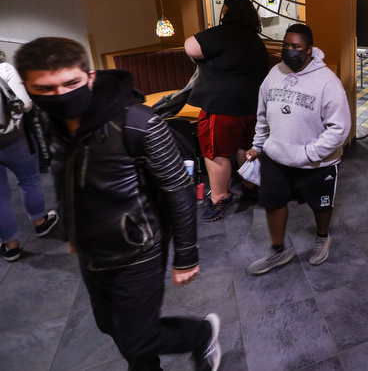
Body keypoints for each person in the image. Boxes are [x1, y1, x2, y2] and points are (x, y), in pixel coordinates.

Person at [14, 37, 220, 371]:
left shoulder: (138, 122)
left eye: (71, 83)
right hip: (90, 248)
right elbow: (64, 176)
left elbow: (178, 189)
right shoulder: (45, 120)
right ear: (28, 87)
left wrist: (186, 256)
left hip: (138, 248)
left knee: (138, 336)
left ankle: (200, 334)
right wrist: (69, 228)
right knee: (111, 326)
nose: (60, 96)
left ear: (90, 78)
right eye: (45, 89)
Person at [245, 24, 350, 275]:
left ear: (309, 50)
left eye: (295, 47)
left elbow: (340, 129)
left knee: (321, 205)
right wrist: (258, 146)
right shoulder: (274, 73)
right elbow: (263, 113)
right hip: (276, 156)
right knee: (272, 203)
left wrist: (309, 153)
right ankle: (278, 250)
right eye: (285, 45)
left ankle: (322, 237)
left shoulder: (328, 83)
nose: (288, 51)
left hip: (316, 163)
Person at [184, 0, 270, 222]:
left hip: (222, 107)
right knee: (246, 147)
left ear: (226, 11)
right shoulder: (255, 39)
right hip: (253, 107)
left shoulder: (224, 33)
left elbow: (190, 46)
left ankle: (220, 197)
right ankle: (250, 186)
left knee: (216, 152)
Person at [0, 52, 58, 262]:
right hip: (15, 139)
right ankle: (40, 223)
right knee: (29, 181)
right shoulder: (4, 69)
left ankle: (10, 245)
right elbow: (25, 104)